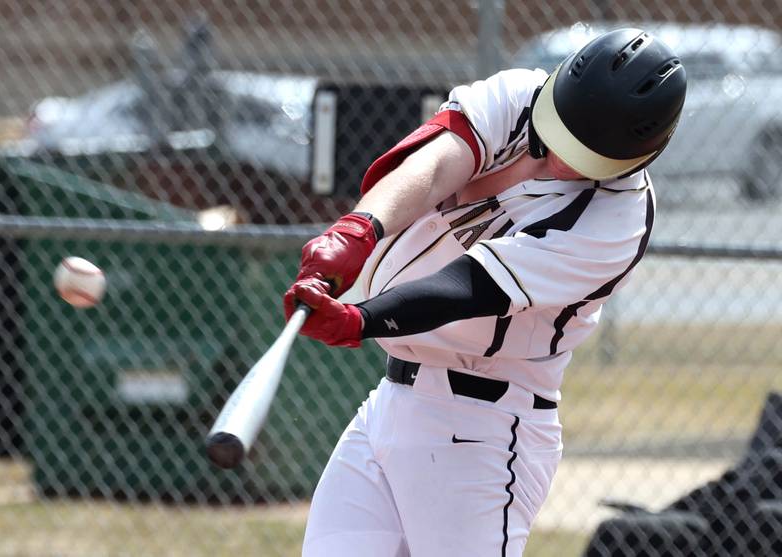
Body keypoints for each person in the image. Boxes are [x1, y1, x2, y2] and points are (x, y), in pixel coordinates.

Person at [284, 28, 687, 557]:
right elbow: (432, 166)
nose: (560, 160)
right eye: (561, 135)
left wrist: (361, 319)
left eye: (582, 156)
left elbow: (469, 287)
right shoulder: (520, 94)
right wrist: (356, 232)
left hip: (481, 432)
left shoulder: (617, 220)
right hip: (390, 404)